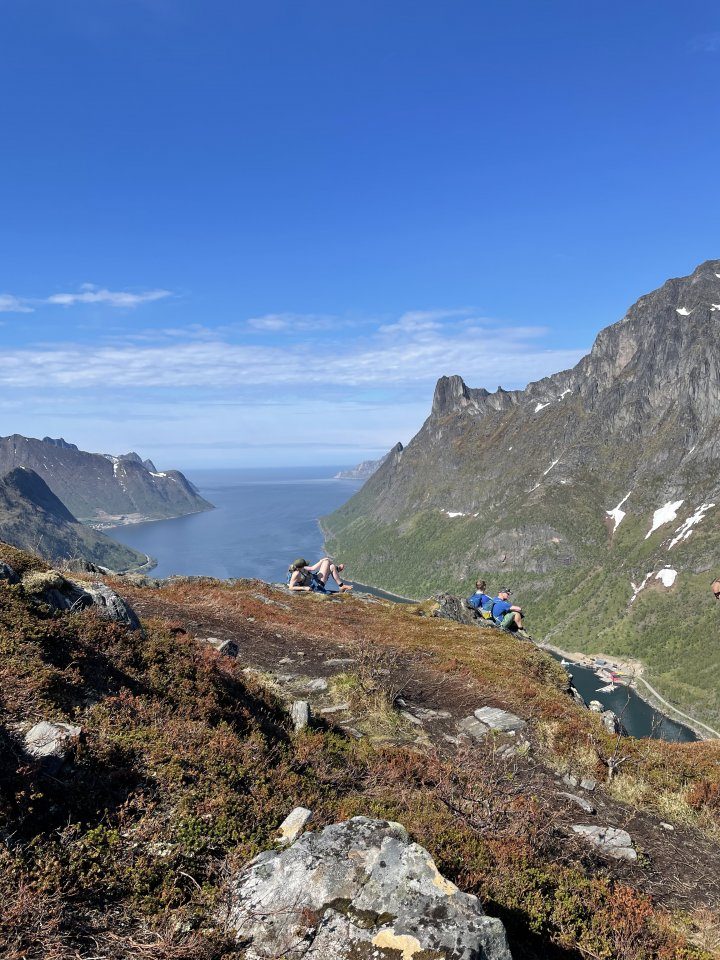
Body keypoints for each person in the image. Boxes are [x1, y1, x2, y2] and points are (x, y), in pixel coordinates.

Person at [288, 557, 353, 593]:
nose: (305, 566)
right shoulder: (296, 573)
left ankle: (341, 585)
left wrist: (321, 561)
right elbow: (291, 587)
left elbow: (312, 568)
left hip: (315, 579)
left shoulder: (301, 569)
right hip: (316, 585)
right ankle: (336, 569)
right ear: (300, 567)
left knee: (331, 566)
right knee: (327, 561)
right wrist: (305, 588)